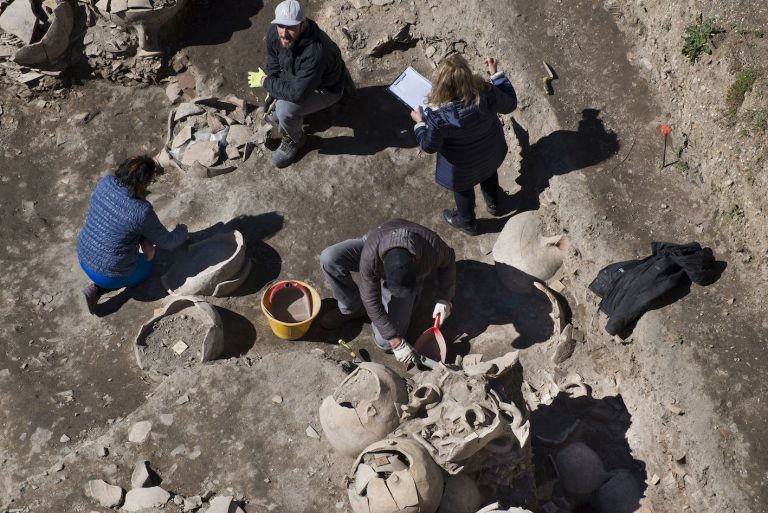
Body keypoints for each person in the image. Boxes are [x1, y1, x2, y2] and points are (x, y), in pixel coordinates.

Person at [319, 219, 456, 364]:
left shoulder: (432, 248)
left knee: (384, 342)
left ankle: (409, 299)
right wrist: (395, 341)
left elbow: (449, 259)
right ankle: (352, 307)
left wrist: (445, 298)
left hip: (413, 251)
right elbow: (370, 299)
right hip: (378, 244)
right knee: (329, 258)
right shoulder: (370, 257)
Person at [411, 54, 518, 235]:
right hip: (490, 152)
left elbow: (429, 146)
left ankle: (467, 223)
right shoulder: (486, 93)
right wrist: (496, 75)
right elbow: (510, 105)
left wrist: (420, 124)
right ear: (468, 77)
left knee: (463, 191)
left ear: (440, 86)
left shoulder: (438, 118)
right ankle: (494, 204)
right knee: (489, 174)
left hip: (461, 168)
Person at [77, 156, 188, 315]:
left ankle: (96, 287)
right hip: (109, 274)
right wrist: (181, 231)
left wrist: (144, 239)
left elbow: (119, 223)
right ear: (146, 181)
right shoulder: (141, 211)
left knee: (138, 244)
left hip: (83, 255)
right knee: (149, 265)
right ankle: (100, 288)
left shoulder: (105, 183)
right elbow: (167, 242)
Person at [254, 0, 348, 168]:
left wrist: (266, 82)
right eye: (281, 26)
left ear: (303, 26)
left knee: (284, 110)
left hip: (326, 89)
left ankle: (295, 140)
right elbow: (273, 63)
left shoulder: (315, 52)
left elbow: (297, 94)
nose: (284, 33)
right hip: (301, 78)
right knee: (277, 105)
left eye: (291, 27)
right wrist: (272, 92)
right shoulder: (276, 34)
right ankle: (291, 117)